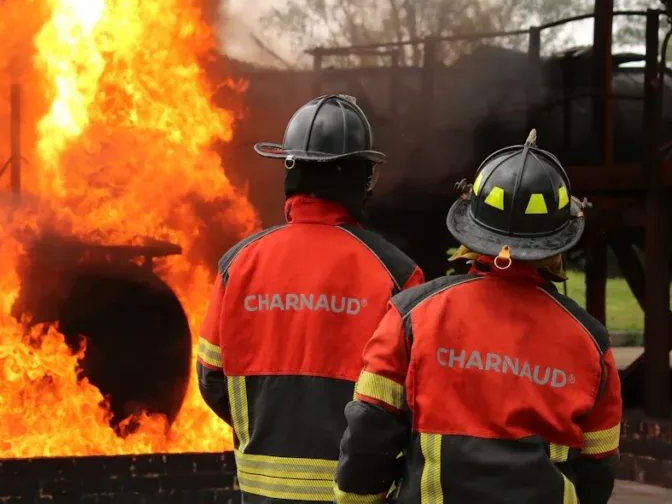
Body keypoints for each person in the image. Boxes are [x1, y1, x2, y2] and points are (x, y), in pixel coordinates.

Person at [334, 130, 622, 504]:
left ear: (471, 228)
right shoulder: (590, 342)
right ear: (558, 239)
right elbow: (598, 469)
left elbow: (370, 430)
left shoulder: (413, 316)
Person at [195, 94, 424, 503]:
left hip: (260, 492)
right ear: (360, 178)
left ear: (291, 169)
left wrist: (266, 432)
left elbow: (211, 377)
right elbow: (413, 397)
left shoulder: (238, 263)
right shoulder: (397, 273)